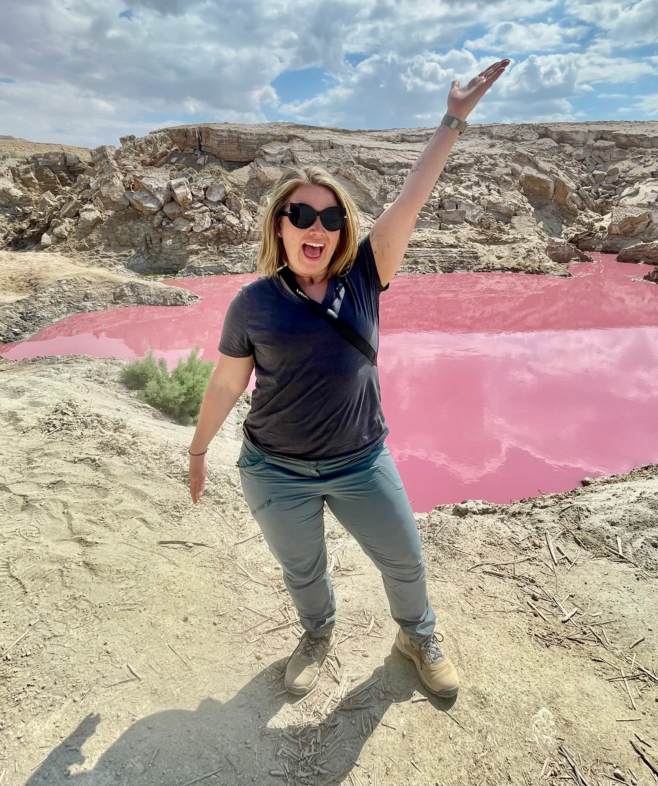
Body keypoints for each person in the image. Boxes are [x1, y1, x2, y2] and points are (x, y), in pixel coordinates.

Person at [187, 59, 510, 698]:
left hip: (361, 461)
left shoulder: (367, 274)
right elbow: (227, 386)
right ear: (279, 225)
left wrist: (451, 121)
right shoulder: (253, 302)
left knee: (404, 560)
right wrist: (199, 450)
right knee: (302, 569)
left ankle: (416, 634)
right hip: (274, 468)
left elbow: (411, 197)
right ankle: (317, 632)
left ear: (345, 231)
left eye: (332, 219)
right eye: (302, 215)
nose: (317, 228)